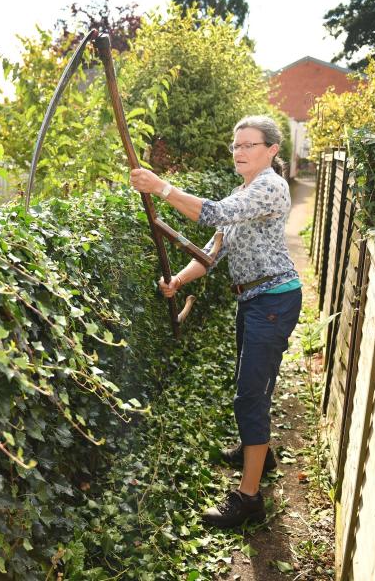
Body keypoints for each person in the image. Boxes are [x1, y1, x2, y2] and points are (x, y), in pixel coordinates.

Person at [129, 115, 302, 528]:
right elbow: (213, 249)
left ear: (273, 149)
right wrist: (178, 279)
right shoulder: (245, 189)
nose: (239, 152)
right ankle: (260, 453)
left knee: (249, 395)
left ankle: (249, 499)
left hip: (274, 300)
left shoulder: (269, 188)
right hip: (254, 301)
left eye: (249, 145)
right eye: (236, 145)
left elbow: (213, 215)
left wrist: (162, 187)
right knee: (254, 386)